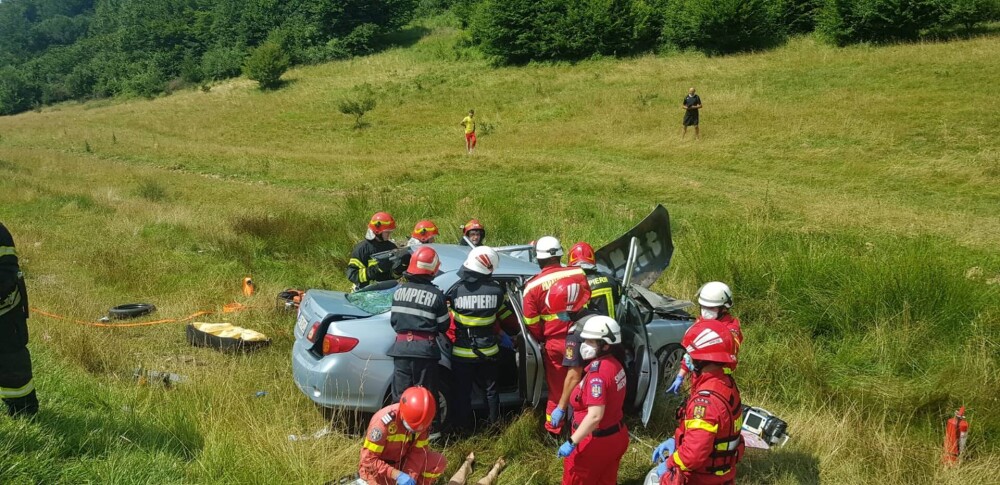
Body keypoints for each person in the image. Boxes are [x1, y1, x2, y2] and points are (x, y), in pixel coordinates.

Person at [652, 319, 743, 485]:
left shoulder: (705, 403)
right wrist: (675, 439)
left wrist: (669, 463)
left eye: (690, 355)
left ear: (702, 359)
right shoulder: (725, 383)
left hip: (702, 478)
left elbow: (693, 454)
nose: (687, 358)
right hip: (721, 476)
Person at [520, 236, 589, 436]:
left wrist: (543, 339)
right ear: (559, 254)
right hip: (582, 337)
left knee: (558, 390)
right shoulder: (578, 273)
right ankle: (581, 428)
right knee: (582, 385)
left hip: (555, 344)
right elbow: (586, 299)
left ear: (538, 259)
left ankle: (554, 431)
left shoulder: (532, 286)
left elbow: (531, 322)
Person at [557, 316, 629, 485]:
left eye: (591, 341)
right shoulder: (615, 364)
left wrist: (572, 442)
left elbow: (595, 416)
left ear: (606, 345)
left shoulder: (598, 375)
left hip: (593, 443)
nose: (585, 345)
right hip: (615, 437)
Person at [447, 246, 508, 433]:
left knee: (462, 393)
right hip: (489, 351)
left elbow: (448, 322)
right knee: (491, 391)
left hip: (461, 353)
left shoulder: (455, 291)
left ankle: (463, 428)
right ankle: (494, 427)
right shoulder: (497, 291)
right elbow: (508, 320)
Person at [388, 247, 450, 405]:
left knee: (400, 398)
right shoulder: (436, 295)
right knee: (426, 397)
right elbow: (444, 326)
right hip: (424, 351)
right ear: (432, 270)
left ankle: (401, 428)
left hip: (401, 349)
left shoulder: (398, 292)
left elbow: (394, 322)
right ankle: (431, 430)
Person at [359, 386, 448, 485]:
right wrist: (396, 475)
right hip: (378, 472)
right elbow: (368, 460)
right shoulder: (382, 424)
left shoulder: (423, 423)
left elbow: (418, 453)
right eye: (411, 428)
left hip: (401, 464)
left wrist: (410, 476)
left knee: (438, 461)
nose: (414, 432)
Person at [666, 282, 742, 395]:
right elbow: (691, 351)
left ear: (724, 308)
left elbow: (730, 349)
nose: (706, 311)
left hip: (717, 379)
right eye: (703, 307)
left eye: (711, 308)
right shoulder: (701, 322)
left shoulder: (731, 329)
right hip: (698, 376)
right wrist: (680, 376)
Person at [546, 277, 595, 433]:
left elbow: (574, 376)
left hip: (587, 389)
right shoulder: (596, 318)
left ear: (570, 308)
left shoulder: (575, 333)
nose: (559, 316)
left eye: (560, 312)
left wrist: (561, 407)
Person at [0, 222, 38, 417]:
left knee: (11, 364)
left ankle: (23, 411)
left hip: (5, 314)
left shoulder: (0, 234)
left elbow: (6, 274)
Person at [567, 242, 622, 318]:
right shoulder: (609, 279)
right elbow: (618, 301)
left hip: (588, 329)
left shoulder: (574, 287)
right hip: (614, 327)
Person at [348, 212, 400, 290]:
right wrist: (376, 269)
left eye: (390, 232)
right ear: (377, 231)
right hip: (366, 292)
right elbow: (353, 275)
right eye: (387, 232)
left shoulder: (391, 247)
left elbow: (394, 276)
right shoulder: (362, 249)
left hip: (386, 292)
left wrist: (400, 268)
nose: (389, 234)